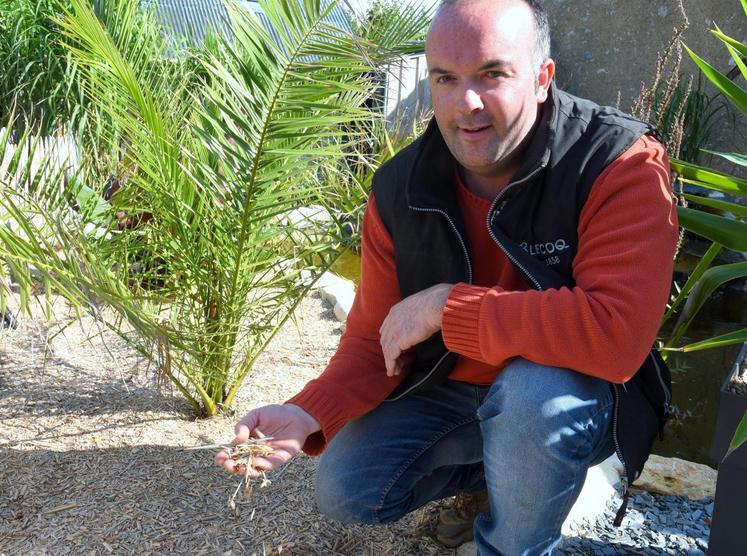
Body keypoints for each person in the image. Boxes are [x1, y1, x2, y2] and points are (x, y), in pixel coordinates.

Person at [215, 0, 679, 553]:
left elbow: (616, 336)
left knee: (533, 396)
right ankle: (498, 481)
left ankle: (514, 542)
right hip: (456, 394)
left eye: (492, 74)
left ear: (541, 78)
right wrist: (307, 409)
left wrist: (445, 306)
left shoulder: (617, 162)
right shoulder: (400, 187)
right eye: (446, 78)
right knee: (347, 488)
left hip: (566, 396)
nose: (467, 104)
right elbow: (373, 338)